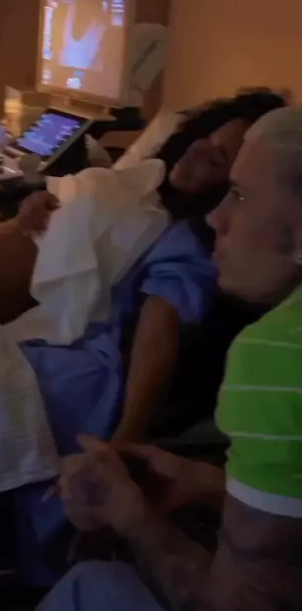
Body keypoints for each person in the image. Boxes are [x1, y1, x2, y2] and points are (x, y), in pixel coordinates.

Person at [39, 104, 302, 611]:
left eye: (240, 194)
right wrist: (211, 483)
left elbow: (240, 604)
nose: (217, 217)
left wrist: (131, 517)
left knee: (87, 586)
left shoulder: (278, 351)